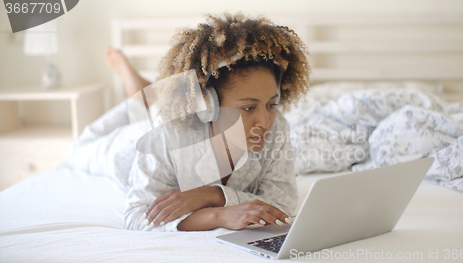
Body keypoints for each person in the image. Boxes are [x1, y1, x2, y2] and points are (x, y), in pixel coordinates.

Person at [68, 13, 310, 232]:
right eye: (248, 107)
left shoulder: (277, 128)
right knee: (79, 150)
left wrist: (214, 196)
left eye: (272, 104)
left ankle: (145, 94)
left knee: (155, 107)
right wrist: (218, 216)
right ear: (208, 104)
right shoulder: (167, 133)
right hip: (132, 146)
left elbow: (282, 204)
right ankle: (137, 88)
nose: (265, 122)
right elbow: (137, 216)